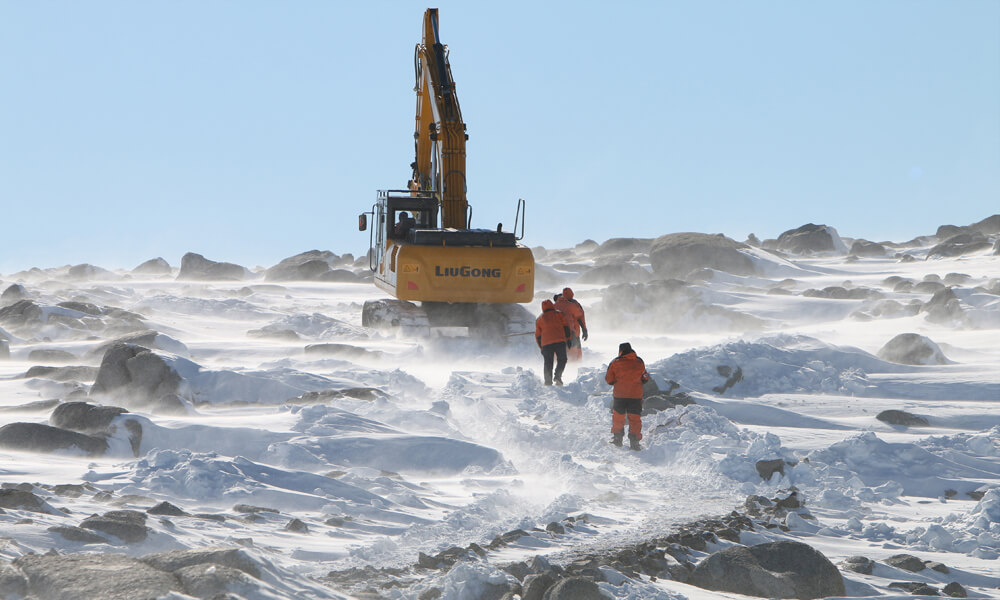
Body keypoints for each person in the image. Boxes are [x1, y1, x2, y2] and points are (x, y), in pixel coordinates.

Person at [605, 342, 650, 450]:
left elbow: (609, 379)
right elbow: (645, 377)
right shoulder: (639, 362)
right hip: (635, 395)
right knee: (635, 418)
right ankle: (634, 442)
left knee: (618, 417)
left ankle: (617, 439)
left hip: (620, 395)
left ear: (620, 351)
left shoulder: (615, 362)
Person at [535, 299, 571, 386]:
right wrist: (569, 339)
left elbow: (538, 336)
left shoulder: (540, 319)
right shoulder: (559, 314)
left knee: (548, 362)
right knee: (562, 359)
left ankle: (548, 381)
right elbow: (566, 327)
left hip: (546, 344)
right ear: (552, 305)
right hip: (560, 341)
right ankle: (558, 376)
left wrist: (541, 347)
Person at [554, 287, 587, 362]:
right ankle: (576, 366)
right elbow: (581, 317)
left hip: (557, 333)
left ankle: (558, 366)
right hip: (573, 332)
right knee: (575, 352)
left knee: (558, 352)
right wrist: (584, 329)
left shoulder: (554, 305)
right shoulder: (573, 305)